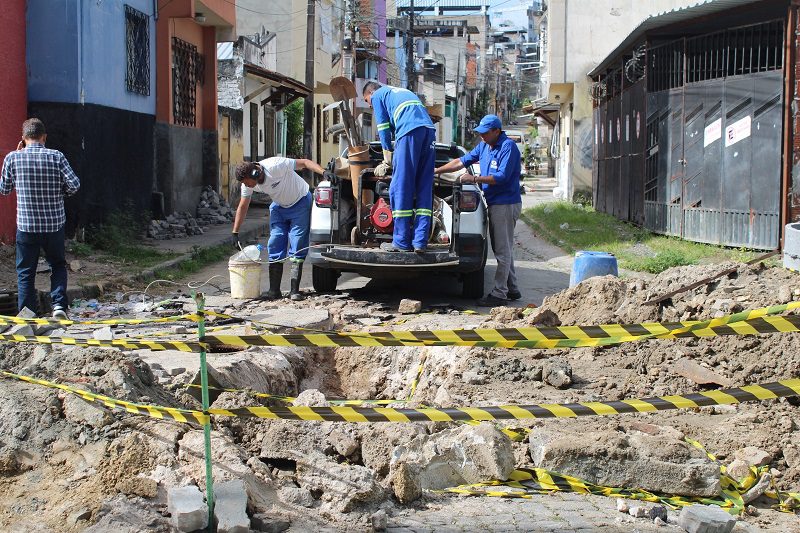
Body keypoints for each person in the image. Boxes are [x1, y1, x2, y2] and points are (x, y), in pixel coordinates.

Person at [434, 114, 522, 306]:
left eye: (485, 133)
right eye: (480, 132)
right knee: (504, 246)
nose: (481, 136)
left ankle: (500, 294)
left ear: (496, 131)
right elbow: (461, 161)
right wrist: (436, 171)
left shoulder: (508, 147)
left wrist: (473, 179)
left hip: (505, 204)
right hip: (494, 202)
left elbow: (502, 177)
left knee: (502, 250)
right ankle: (512, 288)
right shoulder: (484, 146)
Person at [0, 118, 80, 318]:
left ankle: (27, 313)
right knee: (57, 265)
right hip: (54, 224)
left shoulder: (12, 158)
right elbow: (74, 184)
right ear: (44, 137)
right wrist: (60, 193)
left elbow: (4, 189)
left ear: (23, 138)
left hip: (26, 226)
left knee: (26, 271)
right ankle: (59, 306)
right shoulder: (56, 157)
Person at [231, 157, 325, 301]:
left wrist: (324, 172)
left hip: (300, 201)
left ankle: (294, 290)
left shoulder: (275, 166)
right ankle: (274, 291)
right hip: (279, 206)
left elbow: (305, 162)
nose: (245, 185)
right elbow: (243, 206)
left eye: (245, 182)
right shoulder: (248, 184)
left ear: (256, 174)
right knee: (275, 241)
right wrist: (235, 232)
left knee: (298, 241)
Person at [362, 81, 436, 253]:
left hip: (409, 132)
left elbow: (383, 128)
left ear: (371, 93)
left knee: (400, 187)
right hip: (429, 132)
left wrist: (387, 157)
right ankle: (420, 242)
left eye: (368, 102)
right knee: (424, 187)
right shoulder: (401, 92)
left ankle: (402, 242)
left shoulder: (378, 95)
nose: (371, 106)